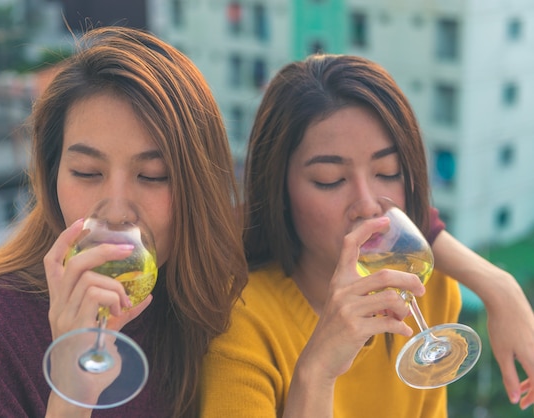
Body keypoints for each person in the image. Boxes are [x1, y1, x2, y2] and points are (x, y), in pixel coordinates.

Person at [0, 26, 247, 418]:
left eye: (154, 175)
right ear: (52, 173)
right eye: (88, 172)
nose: (116, 210)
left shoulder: (219, 312)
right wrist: (72, 395)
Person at [200, 53, 534, 417]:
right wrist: (316, 372)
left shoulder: (431, 289)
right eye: (331, 180)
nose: (368, 204)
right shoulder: (241, 325)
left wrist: (499, 286)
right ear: (280, 191)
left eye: (388, 171)